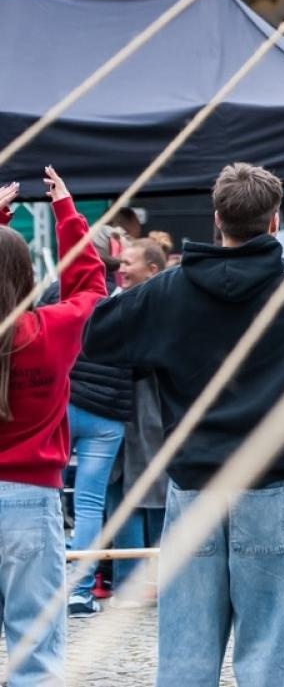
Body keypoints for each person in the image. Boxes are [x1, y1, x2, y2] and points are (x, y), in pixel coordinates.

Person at [83, 163, 284, 686]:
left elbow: (99, 336)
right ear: (274, 222)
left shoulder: (168, 292)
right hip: (269, 481)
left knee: (187, 652)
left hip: (194, 482)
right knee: (272, 653)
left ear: (217, 218)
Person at [0, 169, 105, 684]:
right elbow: (90, 284)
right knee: (35, 641)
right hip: (30, 497)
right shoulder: (49, 332)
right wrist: (66, 209)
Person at [60, 237, 155, 615]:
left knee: (50, 497)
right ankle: (79, 591)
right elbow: (144, 361)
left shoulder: (61, 299)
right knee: (90, 505)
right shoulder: (130, 307)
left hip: (68, 405)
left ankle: (52, 583)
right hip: (108, 416)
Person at [105, 238, 168, 609]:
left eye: (129, 262)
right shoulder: (121, 302)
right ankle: (132, 581)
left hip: (149, 408)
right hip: (122, 408)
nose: (121, 268)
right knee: (126, 496)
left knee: (151, 495)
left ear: (152, 269)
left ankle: (152, 580)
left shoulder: (155, 306)